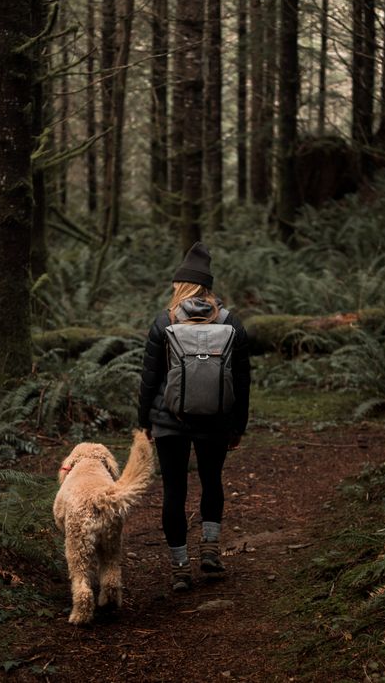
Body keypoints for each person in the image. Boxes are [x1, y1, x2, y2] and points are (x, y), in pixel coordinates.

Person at [138, 242, 251, 592]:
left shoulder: (165, 321)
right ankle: (211, 551)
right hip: (216, 420)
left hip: (169, 421)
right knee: (211, 480)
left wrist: (144, 422)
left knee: (174, 490)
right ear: (208, 287)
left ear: (181, 286)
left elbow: (150, 378)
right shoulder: (230, 322)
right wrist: (238, 425)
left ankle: (180, 567)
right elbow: (243, 380)